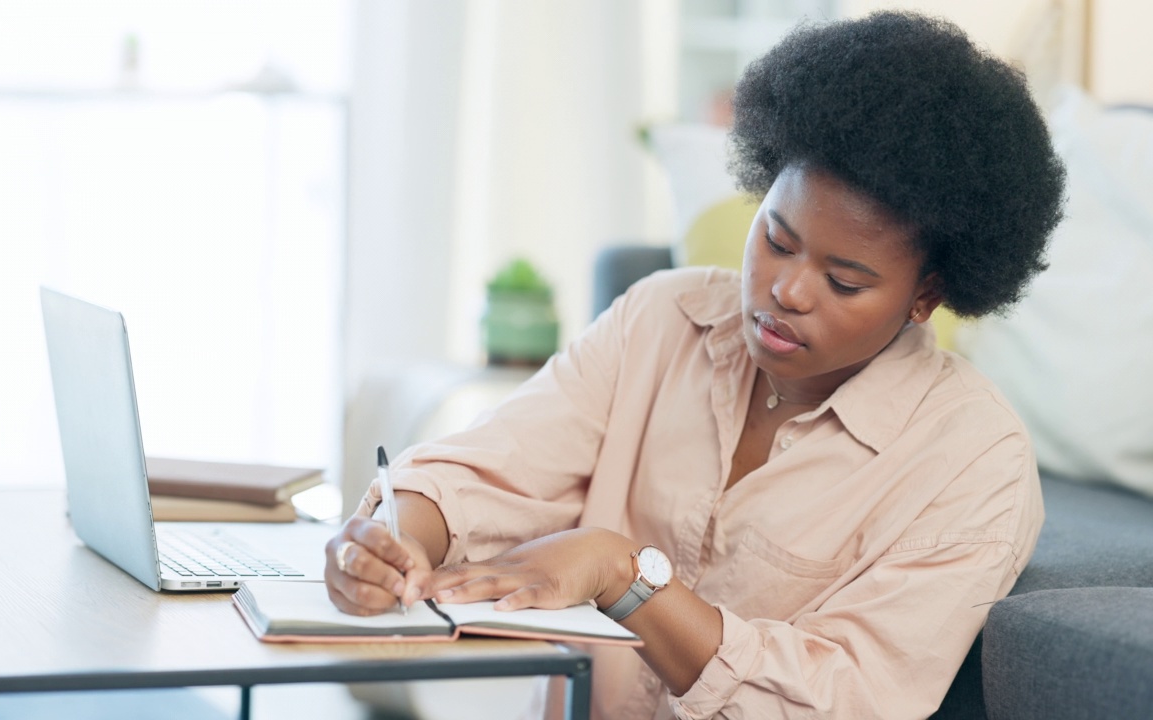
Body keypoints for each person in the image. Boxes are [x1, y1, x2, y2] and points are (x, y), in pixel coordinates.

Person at [325, 11, 1066, 720]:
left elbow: (848, 699)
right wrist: (393, 544)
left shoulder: (972, 462)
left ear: (925, 296)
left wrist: (624, 575)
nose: (787, 290)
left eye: (844, 282)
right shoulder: (661, 319)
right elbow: (489, 469)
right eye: (776, 238)